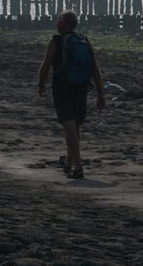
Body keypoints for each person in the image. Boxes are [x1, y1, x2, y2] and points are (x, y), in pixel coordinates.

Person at [37, 10, 105, 179]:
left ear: (65, 24)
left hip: (62, 88)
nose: (56, 24)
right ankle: (69, 161)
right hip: (81, 88)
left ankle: (78, 166)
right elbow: (95, 69)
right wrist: (100, 93)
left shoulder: (56, 42)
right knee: (75, 127)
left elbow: (46, 65)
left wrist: (41, 84)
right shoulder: (84, 41)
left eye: (59, 21)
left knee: (69, 126)